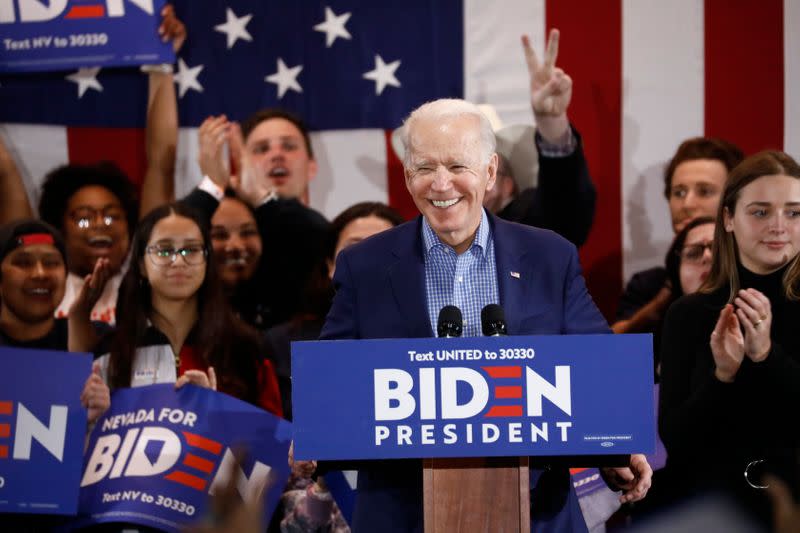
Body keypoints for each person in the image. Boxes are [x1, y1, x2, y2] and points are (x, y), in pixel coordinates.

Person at [319, 98, 651, 532]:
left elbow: (598, 369)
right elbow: (332, 381)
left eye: (458, 166)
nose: (441, 184)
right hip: (403, 514)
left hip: (535, 511)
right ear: (406, 175)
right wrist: (314, 435)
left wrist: (618, 449)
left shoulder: (549, 256)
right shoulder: (363, 266)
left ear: (490, 172)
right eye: (424, 168)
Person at [0, 6, 186, 324]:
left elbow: (162, 163)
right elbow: (4, 171)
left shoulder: (143, 281)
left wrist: (160, 61)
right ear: (58, 232)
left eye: (113, 216)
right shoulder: (35, 278)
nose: (102, 225)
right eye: (84, 220)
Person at [658, 150, 800, 526]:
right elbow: (674, 440)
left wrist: (767, 356)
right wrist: (722, 375)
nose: (779, 226)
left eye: (794, 212)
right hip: (709, 508)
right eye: (760, 211)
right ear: (729, 218)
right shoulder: (688, 315)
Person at [94, 203, 282, 417]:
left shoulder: (245, 349)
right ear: (141, 265)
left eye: (191, 250)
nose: (179, 261)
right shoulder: (110, 352)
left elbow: (272, 442)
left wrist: (214, 414)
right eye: (164, 250)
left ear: (206, 260)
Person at [184, 110, 329, 329]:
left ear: (312, 167)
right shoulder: (211, 211)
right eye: (261, 149)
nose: (276, 155)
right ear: (240, 162)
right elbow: (162, 236)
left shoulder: (316, 233)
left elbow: (321, 239)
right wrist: (211, 186)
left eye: (289, 146)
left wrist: (261, 197)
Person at [613, 137, 743, 336]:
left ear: (734, 202)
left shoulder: (755, 279)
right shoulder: (647, 285)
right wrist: (662, 300)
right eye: (679, 192)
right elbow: (610, 351)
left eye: (704, 191)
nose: (687, 204)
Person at [485, 29, 596, 247]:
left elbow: (565, 208)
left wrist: (551, 123)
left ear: (508, 185)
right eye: (457, 166)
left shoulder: (528, 221)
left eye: (484, 169)